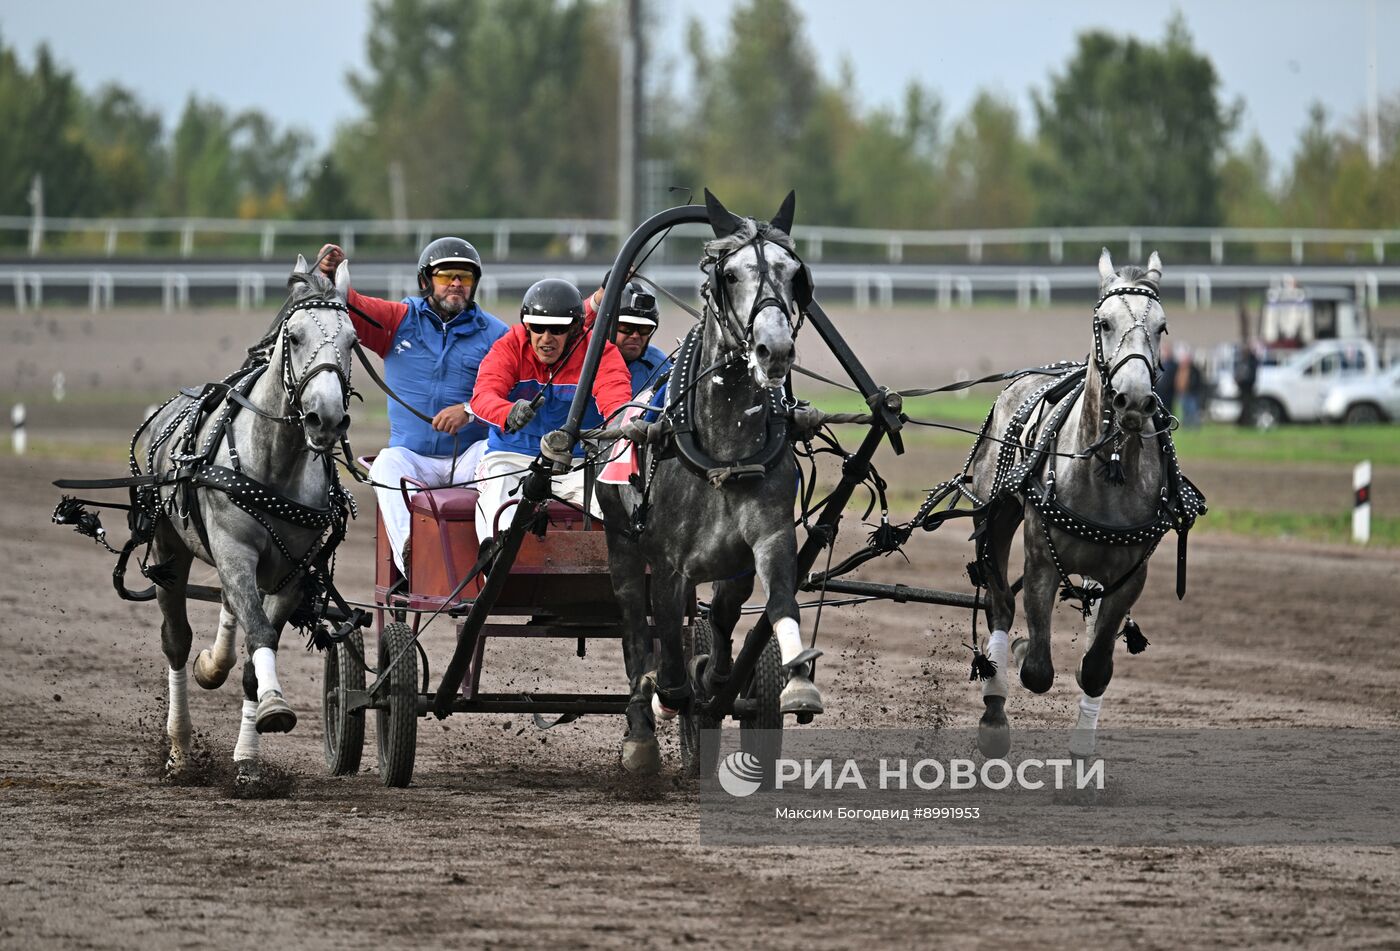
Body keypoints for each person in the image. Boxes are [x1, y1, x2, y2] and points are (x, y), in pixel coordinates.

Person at [315, 238, 509, 574]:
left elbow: (510, 395)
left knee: (499, 456)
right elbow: (348, 303)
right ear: (425, 280)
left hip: (469, 457)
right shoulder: (398, 320)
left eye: (464, 276)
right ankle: (414, 561)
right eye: (446, 275)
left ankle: (495, 555)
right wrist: (327, 276)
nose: (456, 284)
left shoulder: (496, 334)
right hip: (412, 459)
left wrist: (469, 410)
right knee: (385, 463)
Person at [469, 279, 633, 545]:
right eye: (537, 327)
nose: (546, 338)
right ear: (526, 326)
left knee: (625, 513)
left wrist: (625, 425)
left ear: (575, 329)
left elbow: (617, 403)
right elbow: (482, 397)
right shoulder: (509, 345)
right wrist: (508, 412)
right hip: (511, 459)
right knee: (498, 506)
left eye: (557, 329)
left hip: (579, 463)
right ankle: (497, 562)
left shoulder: (599, 352)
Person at [584, 278, 672, 398]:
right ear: (607, 327)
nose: (635, 335)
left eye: (644, 329)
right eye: (626, 327)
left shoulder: (662, 367)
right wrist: (601, 294)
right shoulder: (585, 356)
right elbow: (577, 329)